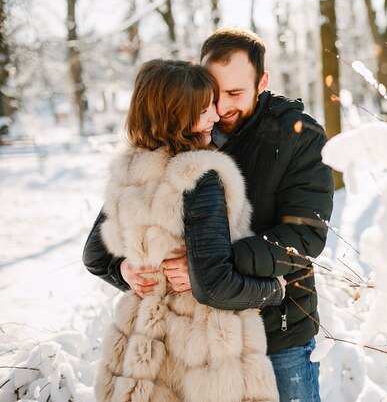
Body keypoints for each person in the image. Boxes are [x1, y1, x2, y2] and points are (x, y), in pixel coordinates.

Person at [83, 28, 334, 402]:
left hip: (278, 328)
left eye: (235, 94)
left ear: (261, 82)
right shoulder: (186, 134)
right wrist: (125, 269)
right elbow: (109, 239)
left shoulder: (299, 135)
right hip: (192, 345)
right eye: (212, 95)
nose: (220, 108)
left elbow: (307, 237)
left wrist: (214, 262)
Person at [93, 59, 283, 402]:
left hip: (145, 347)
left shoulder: (129, 171)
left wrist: (126, 270)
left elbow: (94, 254)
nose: (215, 115)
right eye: (204, 108)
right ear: (175, 113)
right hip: (205, 352)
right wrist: (272, 291)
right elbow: (212, 286)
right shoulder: (198, 177)